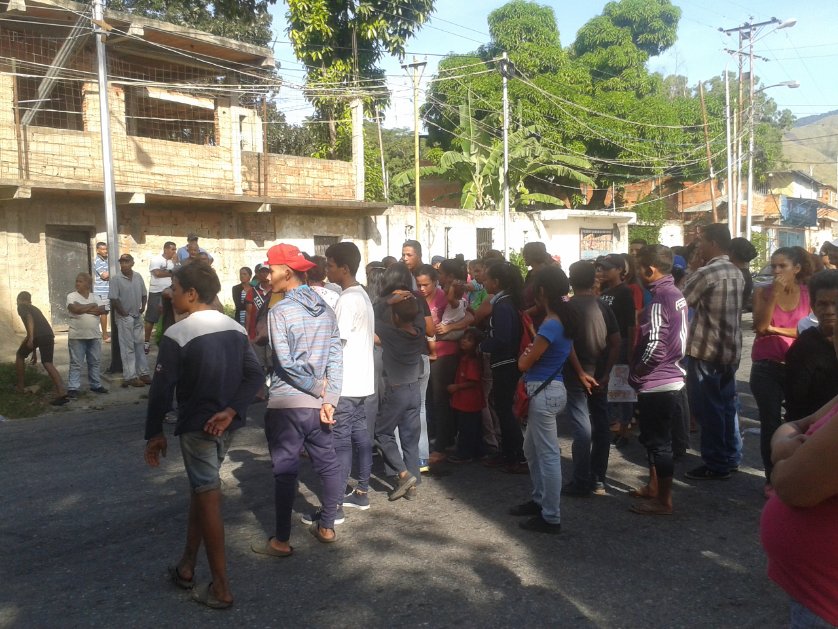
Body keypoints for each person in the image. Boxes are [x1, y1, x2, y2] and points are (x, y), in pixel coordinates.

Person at [144, 262, 263, 610]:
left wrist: (154, 434)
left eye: (176, 288)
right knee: (202, 489)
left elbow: (161, 389)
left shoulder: (177, 334)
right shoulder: (235, 328)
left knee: (207, 494)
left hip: (198, 427)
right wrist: (232, 411)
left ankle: (222, 587)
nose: (171, 293)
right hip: (225, 426)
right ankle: (186, 566)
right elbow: (254, 377)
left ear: (192, 294)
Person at [255, 244, 343, 552]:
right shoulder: (326, 308)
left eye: (271, 269)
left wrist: (320, 389)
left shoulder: (280, 310)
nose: (267, 275)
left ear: (287, 272)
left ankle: (281, 540)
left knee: (285, 469)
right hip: (318, 407)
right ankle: (328, 528)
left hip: (287, 404)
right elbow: (336, 357)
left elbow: (286, 362)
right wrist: (329, 396)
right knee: (328, 464)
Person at [760, 394, 838, 628]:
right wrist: (784, 446)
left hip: (827, 602)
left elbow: (791, 485)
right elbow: (796, 425)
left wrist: (782, 457)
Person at [510, 266, 577, 534]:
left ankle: (551, 515)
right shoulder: (564, 318)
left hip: (542, 390)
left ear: (541, 292)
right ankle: (540, 501)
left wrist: (526, 353)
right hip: (550, 388)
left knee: (547, 455)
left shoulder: (550, 323)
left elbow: (524, 363)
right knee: (533, 450)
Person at [627, 245, 688, 516]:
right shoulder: (673, 292)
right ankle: (654, 487)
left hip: (658, 380)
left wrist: (638, 372)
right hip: (670, 376)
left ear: (650, 270)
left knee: (660, 443)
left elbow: (656, 345)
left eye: (638, 268)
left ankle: (664, 500)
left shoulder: (660, 297)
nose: (636, 273)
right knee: (652, 439)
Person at [682, 224, 743, 480]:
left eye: (702, 242)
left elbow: (681, 300)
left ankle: (715, 462)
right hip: (731, 349)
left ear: (714, 243)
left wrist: (692, 268)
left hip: (706, 349)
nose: (700, 247)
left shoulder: (707, 272)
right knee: (727, 405)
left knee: (709, 408)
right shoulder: (737, 272)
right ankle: (729, 456)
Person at [750, 246, 812, 485]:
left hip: (798, 365)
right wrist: (774, 294)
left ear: (796, 268)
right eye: (773, 266)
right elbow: (761, 325)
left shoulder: (808, 294)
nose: (776, 271)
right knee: (770, 422)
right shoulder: (762, 292)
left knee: (799, 420)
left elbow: (809, 331)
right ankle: (772, 477)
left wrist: (776, 330)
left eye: (782, 266)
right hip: (767, 365)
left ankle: (797, 473)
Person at [561, 261, 620, 497]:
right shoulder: (603, 305)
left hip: (578, 375)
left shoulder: (567, 307)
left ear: (571, 280)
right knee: (600, 424)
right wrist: (606, 373)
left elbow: (567, 344)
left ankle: (581, 479)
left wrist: (580, 372)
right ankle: (598, 478)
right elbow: (616, 342)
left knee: (582, 427)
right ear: (593, 279)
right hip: (599, 374)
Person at [324, 242, 375, 512]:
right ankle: (361, 491)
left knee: (340, 440)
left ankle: (335, 508)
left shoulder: (347, 299)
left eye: (330, 265)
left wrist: (326, 381)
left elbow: (337, 345)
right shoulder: (362, 295)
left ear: (344, 268)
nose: (327, 270)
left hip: (347, 383)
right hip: (363, 380)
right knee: (360, 435)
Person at [480, 261, 526, 473]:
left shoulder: (503, 305)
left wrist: (482, 345)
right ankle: (509, 451)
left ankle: (516, 455)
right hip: (506, 362)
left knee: (505, 411)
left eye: (487, 278)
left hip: (505, 364)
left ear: (496, 282)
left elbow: (503, 338)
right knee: (503, 409)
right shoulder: (506, 301)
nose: (484, 281)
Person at [785, 270, 838, 422]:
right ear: (813, 307)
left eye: (836, 304)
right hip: (814, 432)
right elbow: (795, 403)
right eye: (823, 304)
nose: (830, 311)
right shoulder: (803, 348)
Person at [596, 253, 637, 447]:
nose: (601, 271)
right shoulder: (604, 292)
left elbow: (630, 323)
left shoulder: (624, 292)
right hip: (606, 346)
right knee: (609, 385)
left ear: (620, 270)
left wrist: (630, 349)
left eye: (606, 268)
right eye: (600, 268)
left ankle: (624, 428)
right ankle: (612, 424)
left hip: (620, 344)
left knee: (622, 387)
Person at [15, 291, 68, 405]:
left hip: (38, 336)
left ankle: (20, 386)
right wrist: (34, 351)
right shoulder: (34, 308)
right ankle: (61, 391)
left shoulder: (22, 306)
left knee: (19, 356)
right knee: (48, 363)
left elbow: (29, 319)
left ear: (19, 300)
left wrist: (31, 339)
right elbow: (36, 327)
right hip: (48, 335)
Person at [109, 253, 151, 387]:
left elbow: (144, 294)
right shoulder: (116, 279)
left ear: (132, 263)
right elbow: (114, 299)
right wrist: (123, 313)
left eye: (127, 262)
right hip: (124, 318)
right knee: (128, 348)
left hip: (137, 316)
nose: (124, 264)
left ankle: (143, 373)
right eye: (122, 262)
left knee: (139, 344)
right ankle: (130, 376)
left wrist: (143, 307)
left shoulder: (138, 276)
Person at [66, 273, 109, 397]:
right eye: (77, 281)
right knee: (76, 363)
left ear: (88, 284)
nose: (77, 283)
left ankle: (96, 385)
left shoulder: (95, 296)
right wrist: (91, 306)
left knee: (95, 361)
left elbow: (103, 310)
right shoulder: (71, 296)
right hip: (77, 336)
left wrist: (82, 308)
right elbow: (74, 309)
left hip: (94, 335)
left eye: (80, 281)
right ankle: (73, 388)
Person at [447, 328, 485, 463]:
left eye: (469, 340)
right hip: (467, 401)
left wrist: (456, 387)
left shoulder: (472, 361)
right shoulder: (465, 358)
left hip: (469, 401)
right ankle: (477, 451)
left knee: (466, 428)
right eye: (464, 338)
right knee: (473, 427)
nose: (464, 341)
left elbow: (473, 381)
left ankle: (465, 453)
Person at [145, 242, 178, 355]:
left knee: (169, 317)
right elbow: (157, 273)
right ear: (165, 249)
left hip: (170, 292)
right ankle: (146, 342)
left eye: (175, 249)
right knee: (151, 318)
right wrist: (171, 272)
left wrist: (173, 268)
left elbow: (178, 273)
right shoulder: (156, 259)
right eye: (172, 249)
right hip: (156, 292)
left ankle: (167, 341)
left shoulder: (174, 262)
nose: (174, 251)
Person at [93, 241, 111, 342]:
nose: (105, 251)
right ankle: (104, 335)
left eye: (106, 249)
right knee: (103, 312)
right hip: (101, 290)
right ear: (98, 250)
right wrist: (113, 273)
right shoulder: (97, 261)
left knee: (106, 311)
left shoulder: (107, 260)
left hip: (108, 289)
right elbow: (104, 276)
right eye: (103, 249)